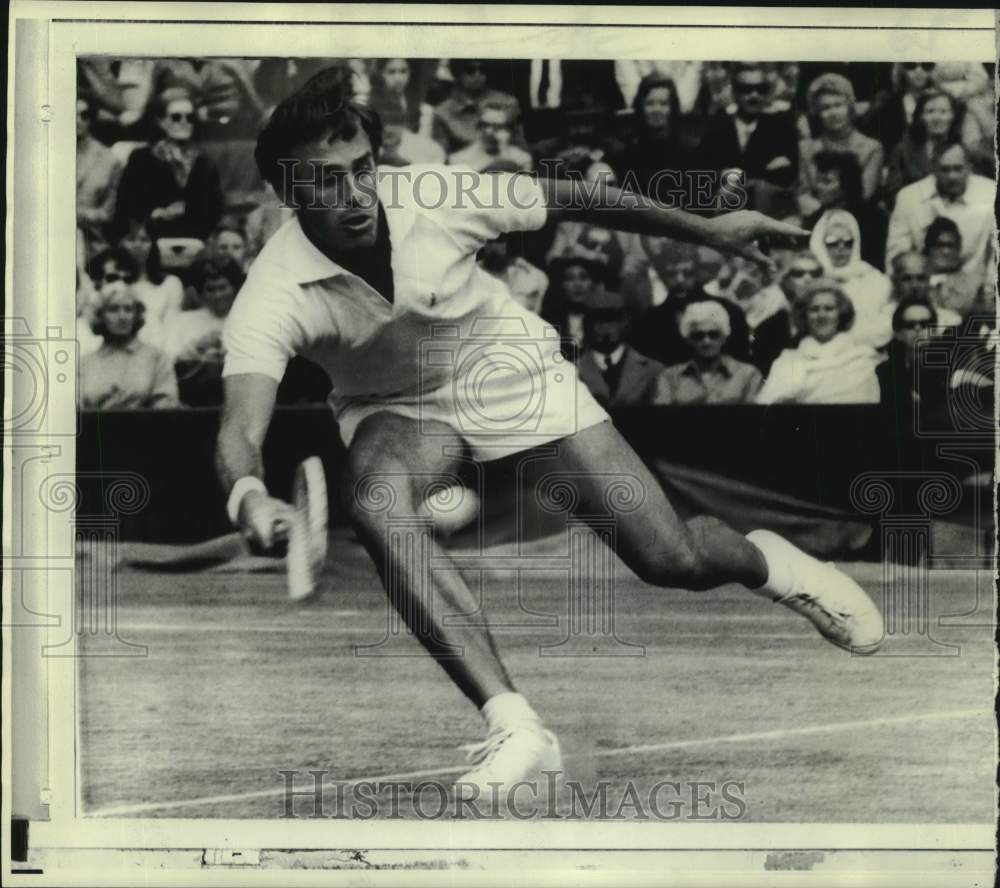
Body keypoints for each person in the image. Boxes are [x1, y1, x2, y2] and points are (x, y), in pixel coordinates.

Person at [216, 68, 883, 802]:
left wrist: (709, 228)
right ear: (288, 193)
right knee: (376, 499)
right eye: (325, 181)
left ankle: (776, 567)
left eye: (362, 170)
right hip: (398, 411)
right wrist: (250, 499)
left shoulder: (441, 196)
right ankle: (516, 726)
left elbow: (572, 195)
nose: (354, 194)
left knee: (674, 560)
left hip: (513, 375)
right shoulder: (273, 291)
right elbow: (239, 430)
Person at [113, 87, 224, 240]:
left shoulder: (204, 163)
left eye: (190, 117)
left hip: (196, 240)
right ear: (162, 122)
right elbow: (126, 205)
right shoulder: (141, 159)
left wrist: (189, 210)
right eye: (176, 117)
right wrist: (158, 213)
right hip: (152, 237)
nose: (184, 122)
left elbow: (214, 209)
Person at [756, 279, 883, 405]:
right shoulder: (787, 361)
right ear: (804, 316)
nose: (822, 315)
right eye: (814, 309)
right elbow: (765, 406)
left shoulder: (862, 359)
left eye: (829, 309)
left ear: (841, 314)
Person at [697, 63, 799, 217]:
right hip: (722, 214)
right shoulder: (717, 126)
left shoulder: (781, 127)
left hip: (767, 214)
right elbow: (704, 172)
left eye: (761, 89)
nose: (754, 95)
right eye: (746, 89)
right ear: (734, 92)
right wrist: (761, 171)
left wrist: (735, 177)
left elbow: (787, 176)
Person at [886, 142, 996, 280]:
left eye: (958, 169)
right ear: (933, 169)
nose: (952, 177)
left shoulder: (991, 194)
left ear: (969, 167)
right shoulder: (909, 197)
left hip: (975, 286)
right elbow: (897, 255)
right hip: (922, 286)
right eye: (945, 169)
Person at [79, 274, 179, 409]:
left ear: (136, 314)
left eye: (128, 309)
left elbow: (168, 406)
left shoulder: (157, 358)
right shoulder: (86, 363)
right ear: (100, 316)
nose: (122, 317)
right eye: (113, 309)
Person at [798, 73, 884, 214]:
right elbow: (803, 193)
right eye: (825, 108)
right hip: (815, 216)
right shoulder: (807, 149)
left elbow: (864, 195)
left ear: (849, 107)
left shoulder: (871, 148)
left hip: (857, 217)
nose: (833, 113)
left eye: (838, 105)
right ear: (817, 112)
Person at [166, 255, 244, 406]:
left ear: (234, 288)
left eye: (222, 287)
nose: (217, 295)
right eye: (210, 289)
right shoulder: (181, 321)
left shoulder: (251, 319)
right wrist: (196, 348)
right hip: (194, 398)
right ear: (201, 292)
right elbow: (169, 360)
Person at [809, 209, 893, 348]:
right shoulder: (811, 278)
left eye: (848, 242)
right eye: (832, 242)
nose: (841, 248)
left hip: (867, 352)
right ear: (820, 243)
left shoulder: (875, 279)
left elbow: (887, 323)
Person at [652, 300, 763, 405]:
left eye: (713, 334)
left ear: (724, 337)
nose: (706, 341)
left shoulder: (747, 375)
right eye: (698, 336)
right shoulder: (670, 377)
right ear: (688, 339)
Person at [575, 288, 666, 408]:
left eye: (613, 320)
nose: (606, 327)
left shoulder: (653, 370)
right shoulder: (572, 371)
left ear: (625, 322)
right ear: (587, 324)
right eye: (598, 320)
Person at [801, 150, 888, 269]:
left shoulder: (873, 219)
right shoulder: (812, 221)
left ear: (847, 184)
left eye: (826, 182)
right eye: (818, 180)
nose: (818, 187)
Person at [613, 75, 693, 202]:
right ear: (640, 108)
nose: (657, 109)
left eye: (664, 104)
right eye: (650, 103)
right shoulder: (629, 149)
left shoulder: (690, 149)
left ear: (672, 108)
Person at [883, 90, 967, 202]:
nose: (936, 118)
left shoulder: (964, 152)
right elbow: (893, 193)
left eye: (943, 112)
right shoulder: (903, 150)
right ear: (920, 116)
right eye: (930, 112)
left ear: (953, 116)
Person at [116, 218, 185, 349]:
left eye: (144, 240)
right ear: (120, 244)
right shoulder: (114, 283)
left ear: (152, 244)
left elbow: (172, 331)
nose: (138, 245)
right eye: (131, 239)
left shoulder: (171, 284)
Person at [431, 59, 520, 154]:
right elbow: (442, 152)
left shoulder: (506, 103)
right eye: (470, 70)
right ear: (458, 73)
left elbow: (517, 143)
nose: (478, 74)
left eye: (482, 70)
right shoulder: (442, 112)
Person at [921, 217, 993, 321]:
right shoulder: (915, 278)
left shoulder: (972, 283)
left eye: (951, 246)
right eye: (940, 245)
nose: (946, 252)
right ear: (929, 248)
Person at [76, 95, 123, 254]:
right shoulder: (45, 154)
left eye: (84, 115)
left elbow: (108, 213)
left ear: (92, 119)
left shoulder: (109, 160)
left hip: (92, 243)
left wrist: (73, 214)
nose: (77, 121)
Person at [448, 101, 533, 172]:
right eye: (484, 125)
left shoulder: (522, 159)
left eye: (498, 127)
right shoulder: (458, 160)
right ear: (477, 128)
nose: (489, 132)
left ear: (509, 131)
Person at [889, 250, 962, 329]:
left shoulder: (950, 322)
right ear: (895, 281)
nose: (914, 286)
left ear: (929, 280)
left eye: (921, 278)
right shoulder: (883, 324)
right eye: (907, 279)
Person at [477, 235, 548, 316]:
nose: (494, 246)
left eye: (500, 241)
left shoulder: (531, 275)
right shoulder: (473, 271)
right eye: (490, 242)